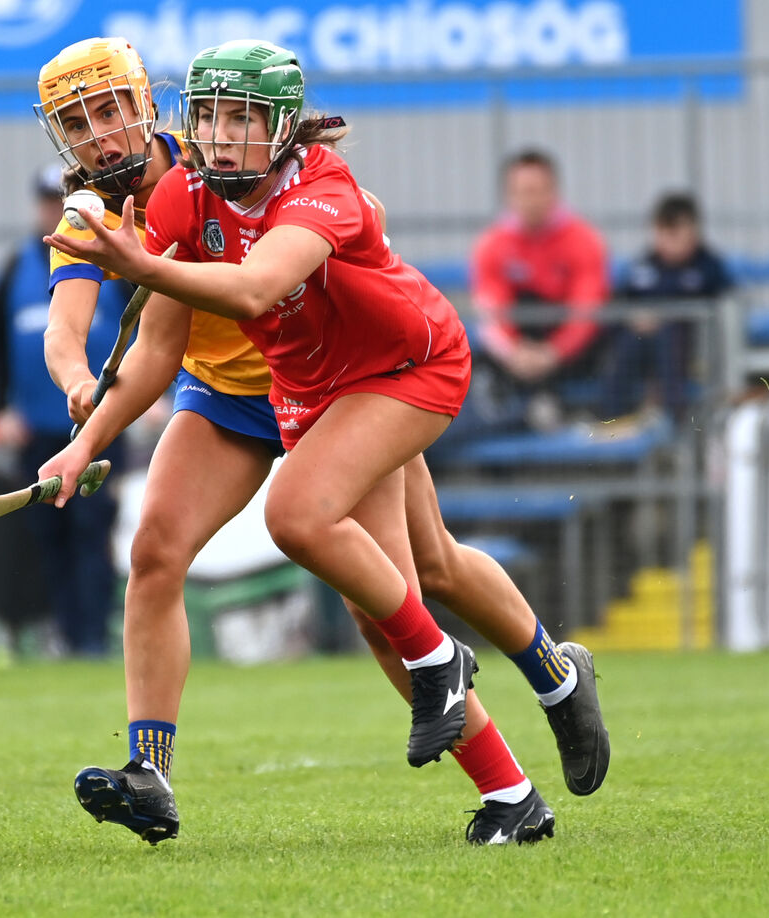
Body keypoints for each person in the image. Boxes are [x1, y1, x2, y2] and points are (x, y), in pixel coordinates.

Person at [36, 38, 607, 848]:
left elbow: (256, 284)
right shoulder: (136, 205)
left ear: (144, 103)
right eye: (77, 121)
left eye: (109, 109)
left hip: (364, 378)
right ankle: (151, 769)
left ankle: (542, 682)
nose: (98, 134)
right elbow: (128, 342)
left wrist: (150, 265)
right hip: (253, 395)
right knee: (157, 551)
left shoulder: (304, 184)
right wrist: (82, 425)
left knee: (410, 583)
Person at [0, 162, 129, 655]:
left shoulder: (115, 260)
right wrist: (1, 406)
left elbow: (150, 329)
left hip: (102, 421)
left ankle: (93, 636)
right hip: (38, 426)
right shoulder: (15, 268)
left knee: (93, 533)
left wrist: (152, 398)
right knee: (49, 537)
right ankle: (65, 633)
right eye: (47, 202)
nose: (53, 211)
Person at [465, 148, 608, 434]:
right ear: (509, 195)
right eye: (522, 191)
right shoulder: (492, 245)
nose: (531, 200)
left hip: (570, 355)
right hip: (515, 355)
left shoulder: (584, 240)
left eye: (537, 190)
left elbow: (587, 310)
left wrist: (553, 352)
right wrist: (514, 353)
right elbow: (490, 310)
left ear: (554, 191)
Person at [599, 191, 733, 424]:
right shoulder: (643, 265)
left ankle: (675, 421)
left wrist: (666, 318)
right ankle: (612, 420)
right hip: (642, 343)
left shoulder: (708, 267)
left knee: (670, 335)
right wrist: (634, 318)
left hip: (690, 346)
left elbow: (723, 305)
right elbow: (620, 304)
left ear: (693, 231)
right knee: (625, 345)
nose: (670, 240)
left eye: (676, 231)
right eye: (663, 231)